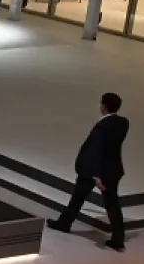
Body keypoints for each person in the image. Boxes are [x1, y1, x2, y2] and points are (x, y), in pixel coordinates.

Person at [46, 92, 129, 251]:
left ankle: (64, 224)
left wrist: (96, 175)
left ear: (103, 106)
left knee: (77, 198)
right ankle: (118, 239)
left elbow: (95, 150)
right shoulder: (123, 123)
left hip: (93, 170)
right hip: (113, 170)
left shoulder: (102, 126)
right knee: (112, 204)